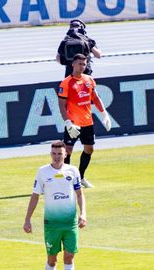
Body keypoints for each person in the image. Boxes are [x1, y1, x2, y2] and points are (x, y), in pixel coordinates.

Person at [23, 140, 87, 270]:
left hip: (70, 223)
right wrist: (27, 219)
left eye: (60, 154)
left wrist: (83, 214)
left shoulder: (73, 171)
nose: (57, 157)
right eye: (54, 154)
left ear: (66, 154)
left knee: (69, 257)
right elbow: (35, 196)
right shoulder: (42, 172)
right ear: (50, 154)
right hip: (51, 224)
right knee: (52, 260)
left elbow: (79, 194)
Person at [58, 53, 111, 189]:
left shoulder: (89, 80)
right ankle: (67, 179)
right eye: (79, 64)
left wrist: (104, 114)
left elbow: (95, 97)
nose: (82, 66)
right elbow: (61, 105)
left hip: (87, 122)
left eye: (84, 64)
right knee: (67, 150)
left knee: (89, 149)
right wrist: (68, 123)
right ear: (73, 64)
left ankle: (80, 177)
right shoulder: (66, 83)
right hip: (73, 124)